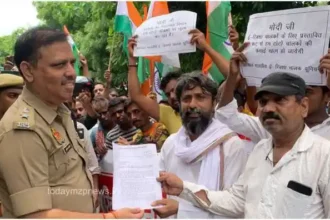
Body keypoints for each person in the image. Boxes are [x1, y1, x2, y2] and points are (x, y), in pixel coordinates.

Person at [0, 26, 143, 218]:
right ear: (28, 71)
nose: (71, 72)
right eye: (59, 65)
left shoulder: (59, 112)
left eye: (71, 63)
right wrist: (111, 218)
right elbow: (36, 216)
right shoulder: (23, 129)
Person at [157, 71, 330, 218]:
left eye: (280, 100)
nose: (269, 108)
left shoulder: (324, 155)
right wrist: (184, 188)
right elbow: (236, 201)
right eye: (263, 102)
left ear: (304, 106)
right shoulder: (260, 151)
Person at [152, 73, 247, 218]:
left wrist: (182, 208)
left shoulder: (230, 145)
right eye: (186, 99)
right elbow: (155, 185)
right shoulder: (171, 143)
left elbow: (235, 204)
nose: (192, 105)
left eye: (200, 97)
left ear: (214, 103)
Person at [216, 43, 330, 142]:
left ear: (327, 95)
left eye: (307, 92)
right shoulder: (271, 127)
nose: (297, 96)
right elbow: (226, 115)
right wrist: (232, 76)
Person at [127, 29, 230, 134]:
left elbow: (232, 76)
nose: (172, 96)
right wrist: (131, 59)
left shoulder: (212, 106)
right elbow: (136, 96)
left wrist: (206, 47)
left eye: (175, 90)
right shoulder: (167, 114)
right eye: (167, 94)